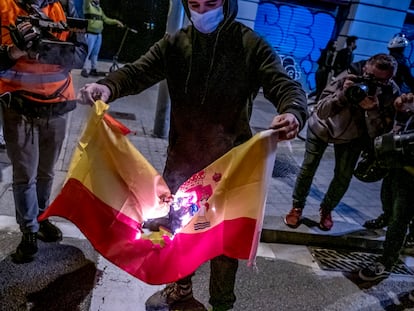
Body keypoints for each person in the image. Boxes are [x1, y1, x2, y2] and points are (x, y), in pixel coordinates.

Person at [77, 0, 308, 309]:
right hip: (182, 164)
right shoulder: (175, 43)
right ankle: (181, 289)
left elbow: (284, 85)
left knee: (223, 244)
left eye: (211, 2)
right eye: (195, 4)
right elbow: (136, 73)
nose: (202, 11)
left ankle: (222, 303)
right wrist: (107, 87)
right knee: (178, 233)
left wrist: (292, 113)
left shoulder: (249, 45)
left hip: (231, 168)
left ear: (227, 2)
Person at [0, 0, 87, 264]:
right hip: (17, 104)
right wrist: (14, 50)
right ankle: (29, 231)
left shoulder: (66, 5)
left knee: (47, 172)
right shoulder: (4, 6)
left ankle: (40, 217)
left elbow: (80, 54)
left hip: (57, 104)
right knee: (25, 173)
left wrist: (43, 48)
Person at [284, 53, 399, 231]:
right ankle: (297, 207)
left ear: (390, 79)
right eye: (370, 78)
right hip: (321, 128)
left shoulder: (390, 92)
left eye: (380, 82)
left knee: (343, 176)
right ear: (365, 67)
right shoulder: (348, 77)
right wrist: (343, 95)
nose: (371, 84)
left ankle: (327, 209)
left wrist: (373, 110)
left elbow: (379, 133)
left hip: (353, 136)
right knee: (308, 167)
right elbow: (321, 111)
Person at [363, 34, 414, 242]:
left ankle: (400, 245)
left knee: (403, 209)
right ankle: (387, 217)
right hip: (405, 145)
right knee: (390, 185)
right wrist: (405, 102)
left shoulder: (401, 65)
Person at [359, 92, 414, 281]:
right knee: (393, 212)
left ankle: (386, 262)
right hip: (402, 170)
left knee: (399, 220)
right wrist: (401, 113)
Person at [81, 0, 123, 77]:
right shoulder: (87, 6)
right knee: (87, 52)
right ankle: (84, 69)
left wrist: (116, 21)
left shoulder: (99, 9)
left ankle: (93, 69)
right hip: (90, 34)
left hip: (98, 34)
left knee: (95, 53)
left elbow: (106, 19)